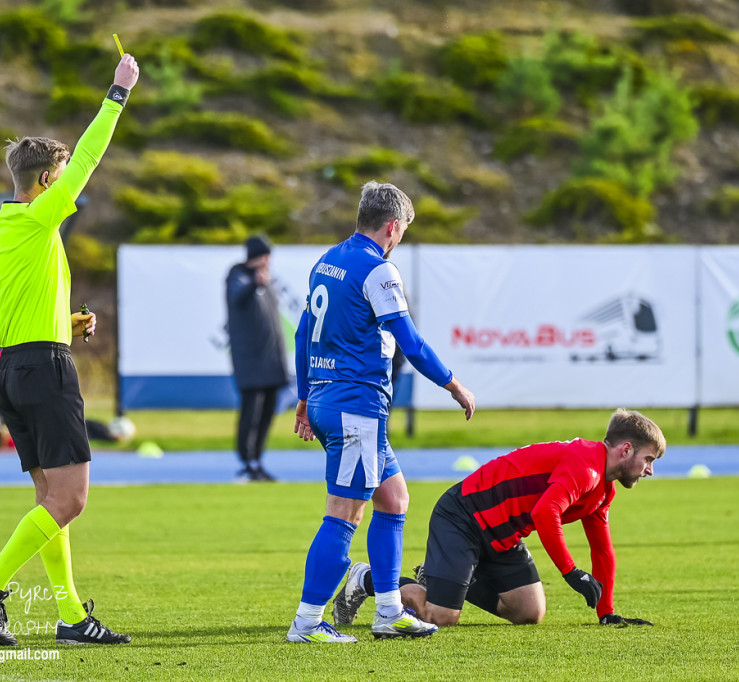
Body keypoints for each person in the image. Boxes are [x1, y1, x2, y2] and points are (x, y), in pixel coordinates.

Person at [0, 53, 139, 647]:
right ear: (46, 183)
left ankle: (70, 616)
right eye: (60, 178)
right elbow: (88, 158)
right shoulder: (39, 219)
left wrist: (64, 321)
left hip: (12, 368)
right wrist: (117, 93)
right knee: (72, 499)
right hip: (44, 368)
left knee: (49, 499)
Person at [286, 181, 476, 644]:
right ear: (392, 226)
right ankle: (307, 622)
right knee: (343, 515)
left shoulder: (327, 260)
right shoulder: (378, 270)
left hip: (331, 399)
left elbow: (302, 334)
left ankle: (389, 610)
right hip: (357, 407)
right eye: (404, 229)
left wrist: (305, 397)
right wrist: (453, 384)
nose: (401, 237)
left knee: (393, 499)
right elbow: (409, 341)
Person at [332, 409, 664, 630]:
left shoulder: (604, 489)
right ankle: (366, 578)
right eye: (648, 459)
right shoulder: (585, 466)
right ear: (625, 449)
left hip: (503, 534)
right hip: (464, 516)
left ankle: (436, 577)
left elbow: (602, 549)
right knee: (441, 616)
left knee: (528, 612)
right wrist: (571, 571)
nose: (649, 470)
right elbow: (545, 513)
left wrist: (607, 612)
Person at [225, 234, 289, 482]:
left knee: (268, 412)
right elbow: (237, 297)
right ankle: (247, 460)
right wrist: (255, 283)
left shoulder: (267, 280)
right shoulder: (238, 275)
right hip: (251, 361)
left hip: (271, 360)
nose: (268, 261)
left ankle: (257, 460)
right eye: (265, 255)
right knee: (251, 412)